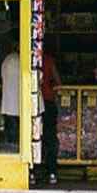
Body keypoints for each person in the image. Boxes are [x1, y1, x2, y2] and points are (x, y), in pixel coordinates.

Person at [39, 49, 61, 185]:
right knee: (50, 137)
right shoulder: (48, 60)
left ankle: (33, 172)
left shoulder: (28, 60)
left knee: (33, 138)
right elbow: (58, 82)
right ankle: (52, 172)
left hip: (32, 103)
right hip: (48, 101)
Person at [0, 29, 21, 154]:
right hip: (20, 106)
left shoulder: (7, 60)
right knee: (21, 137)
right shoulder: (21, 61)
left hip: (8, 106)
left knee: (11, 139)